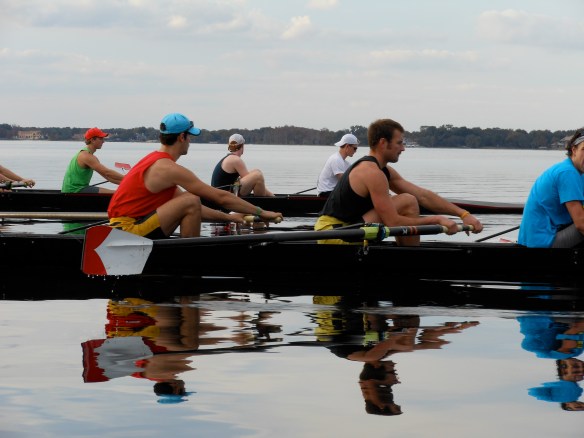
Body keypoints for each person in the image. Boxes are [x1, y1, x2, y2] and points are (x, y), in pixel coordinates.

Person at [107, 113, 282, 238]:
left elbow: (196, 208)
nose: (190, 141)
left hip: (123, 228)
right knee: (190, 200)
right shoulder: (167, 168)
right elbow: (220, 197)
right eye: (190, 136)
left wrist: (230, 218)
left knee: (189, 201)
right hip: (127, 231)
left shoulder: (156, 162)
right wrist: (261, 212)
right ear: (182, 137)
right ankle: (191, 258)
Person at [314, 118, 483, 246]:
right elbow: (393, 222)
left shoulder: (383, 170)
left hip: (350, 227)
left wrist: (464, 214)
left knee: (409, 199)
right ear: (383, 143)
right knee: (407, 201)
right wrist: (437, 220)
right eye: (399, 143)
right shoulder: (372, 172)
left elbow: (423, 196)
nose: (403, 148)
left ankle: (409, 256)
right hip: (333, 233)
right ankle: (410, 260)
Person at [518, 131, 584, 248]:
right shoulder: (567, 173)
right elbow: (581, 224)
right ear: (574, 150)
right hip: (543, 241)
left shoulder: (576, 172)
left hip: (541, 235)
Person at [61, 127, 125, 193]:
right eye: (101, 139)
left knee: (118, 193)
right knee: (116, 193)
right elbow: (107, 172)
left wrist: (127, 183)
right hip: (74, 190)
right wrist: (128, 178)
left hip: (79, 189)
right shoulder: (86, 156)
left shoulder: (91, 156)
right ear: (92, 140)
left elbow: (108, 177)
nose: (103, 141)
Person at [316, 133, 359, 197]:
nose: (355, 151)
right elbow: (344, 181)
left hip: (332, 192)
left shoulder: (345, 163)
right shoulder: (336, 159)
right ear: (347, 146)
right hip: (326, 193)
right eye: (355, 148)